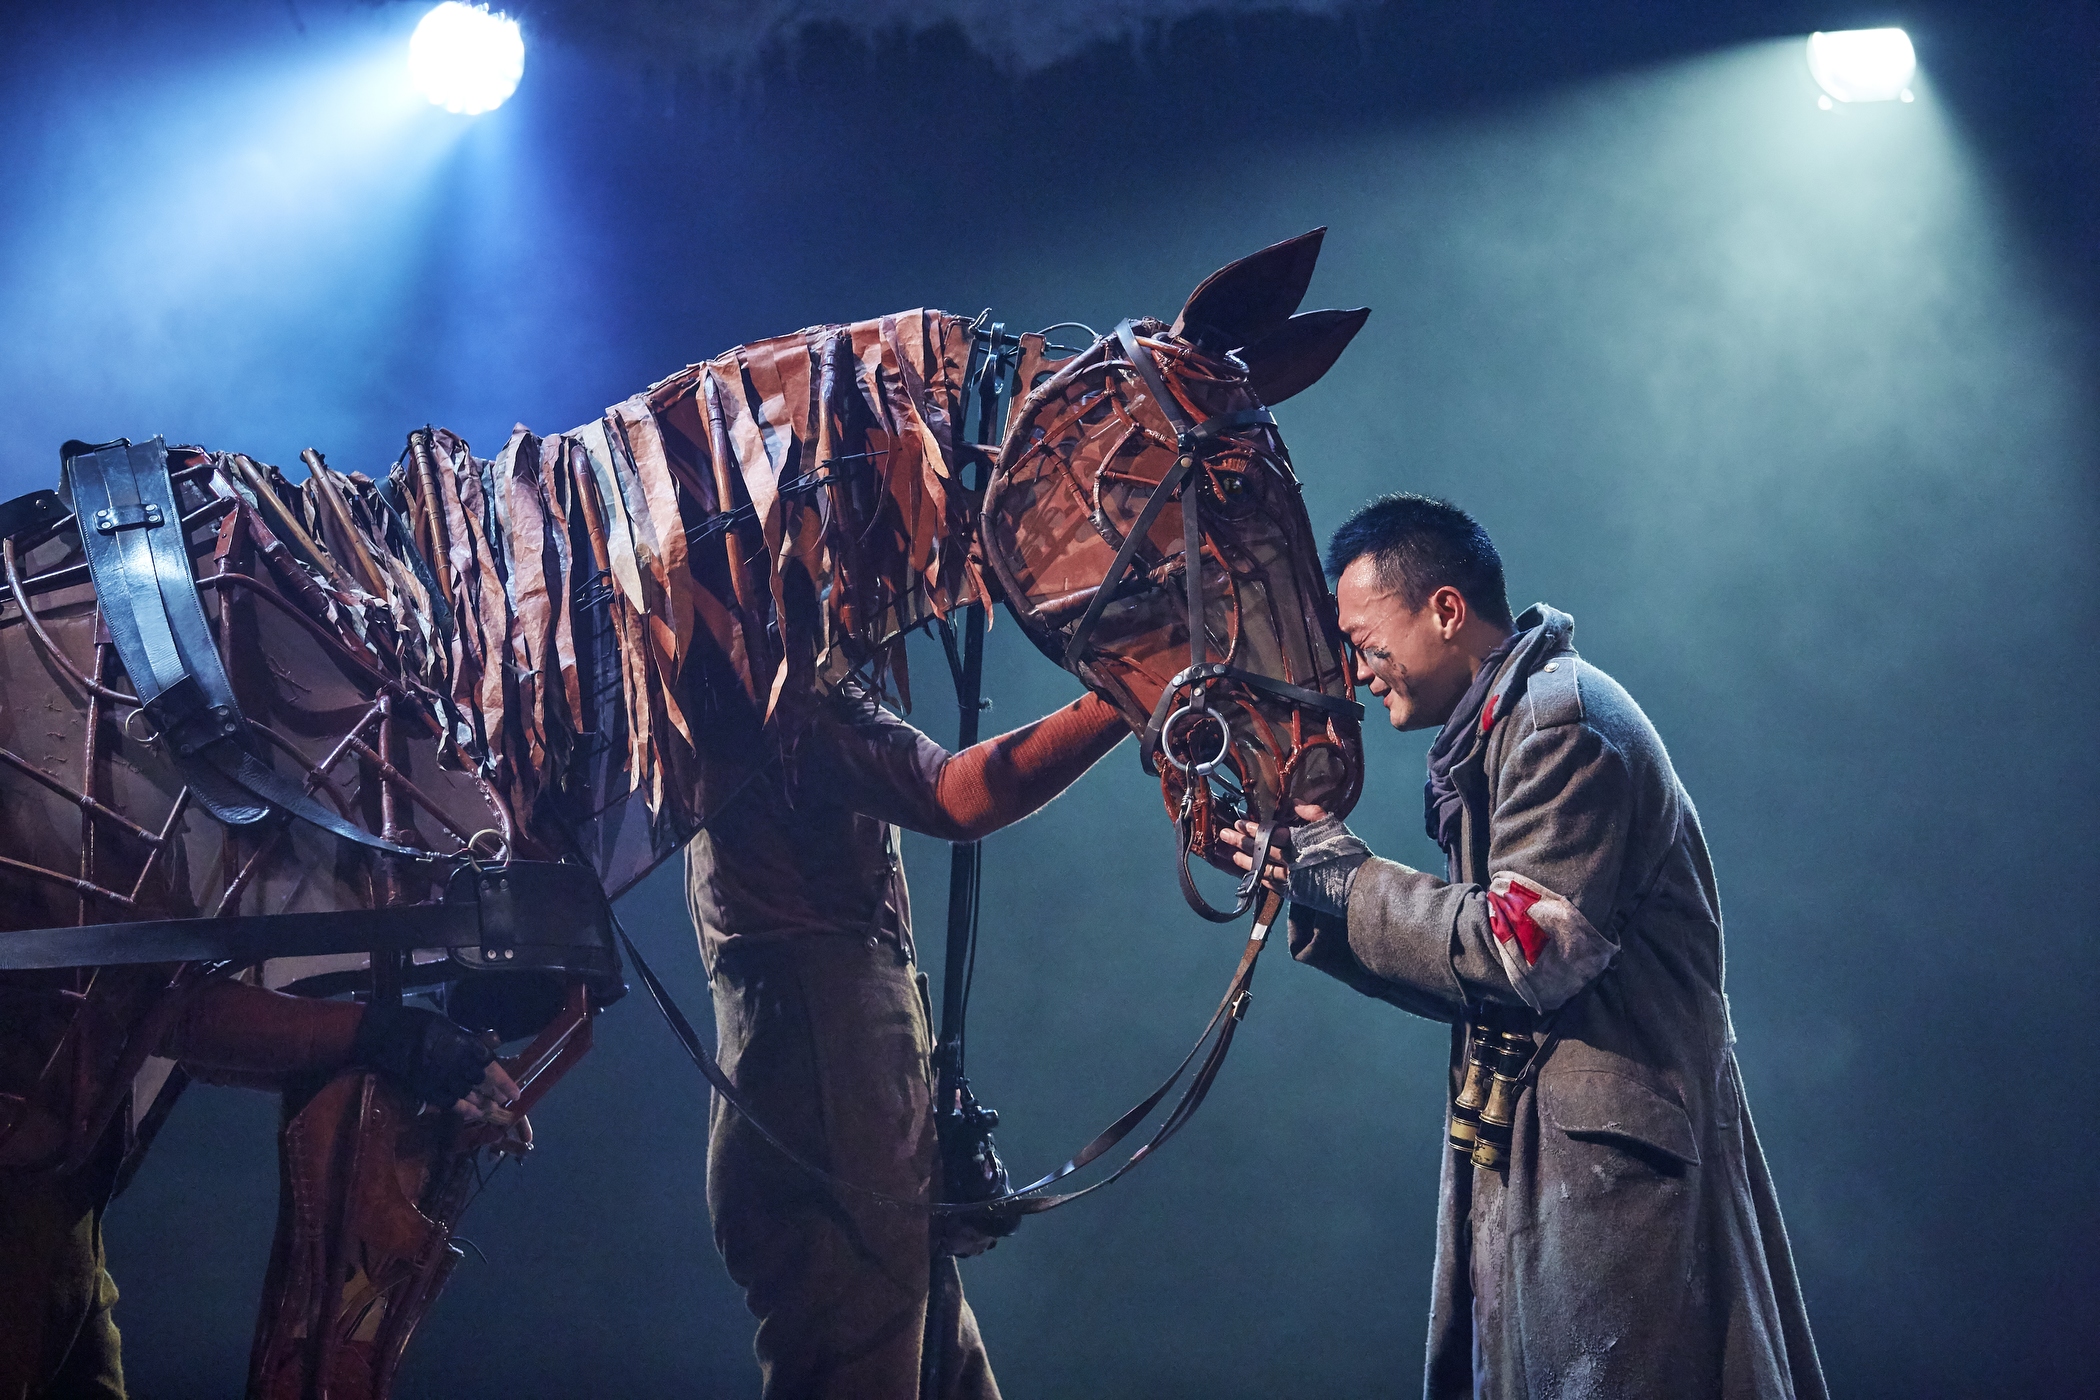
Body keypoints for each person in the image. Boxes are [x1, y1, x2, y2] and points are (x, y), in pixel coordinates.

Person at [1222, 494, 1825, 1399]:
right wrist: (1309, 889)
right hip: (1543, 1169)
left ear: (1446, 610)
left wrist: (1341, 877)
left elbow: (1523, 953)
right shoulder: (1506, 730)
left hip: (1609, 1181)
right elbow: (1484, 976)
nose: (1355, 669)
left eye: (1364, 637)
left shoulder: (1561, 723)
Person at [686, 676, 1126, 1400]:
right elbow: (957, 795)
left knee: (942, 1374)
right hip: (828, 1064)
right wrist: (1124, 695)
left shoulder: (754, 699)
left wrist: (921, 1109)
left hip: (834, 1058)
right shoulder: (773, 696)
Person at [0, 973, 514, 1400]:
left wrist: (404, 1064)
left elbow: (189, 1033)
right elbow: (156, 1006)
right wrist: (387, 1037)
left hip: (57, 1190)